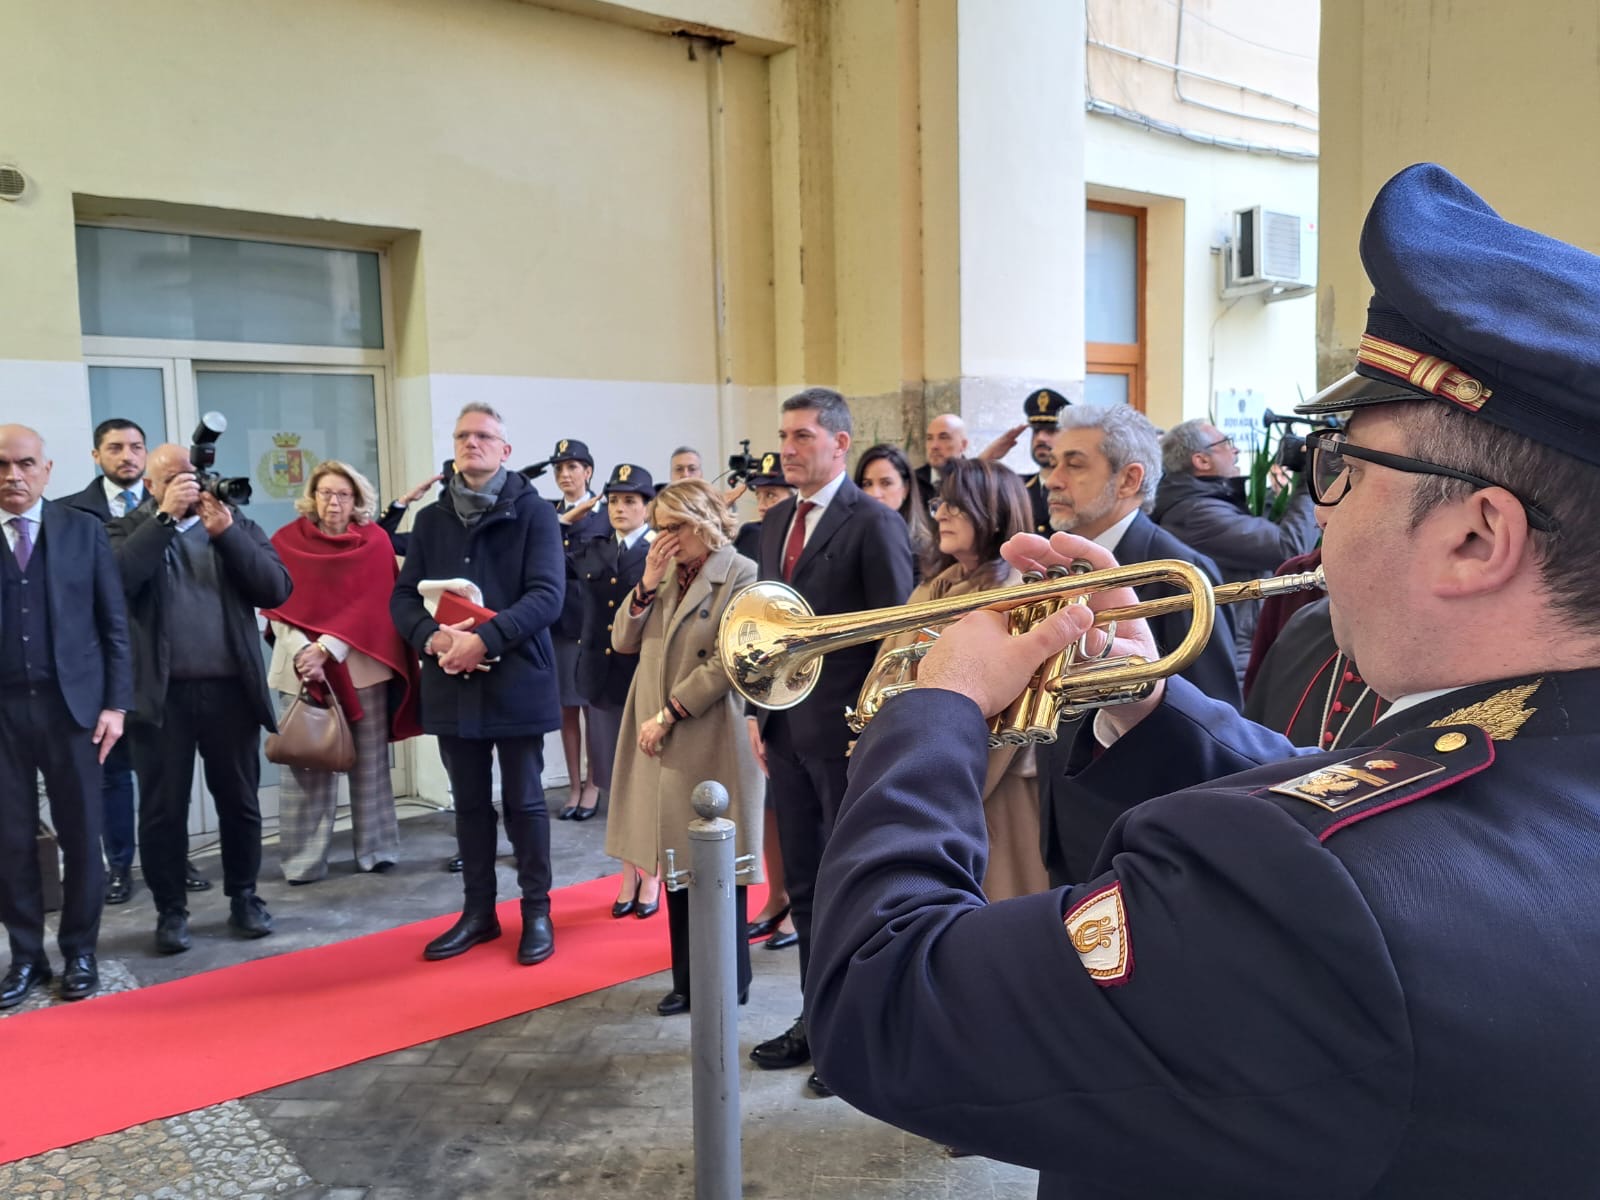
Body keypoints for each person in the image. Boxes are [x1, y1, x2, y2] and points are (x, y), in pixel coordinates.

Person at [806, 162, 1600, 1196]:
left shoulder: (1308, 896)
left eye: (1343, 470)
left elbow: (883, 1002)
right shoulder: (1533, 764)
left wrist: (936, 706)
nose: (1323, 510)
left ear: (1475, 536)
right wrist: (1146, 698)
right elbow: (1375, 806)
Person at [746, 388, 914, 1096]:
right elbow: (762, 626)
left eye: (803, 436)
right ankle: (816, 1020)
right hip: (785, 729)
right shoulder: (774, 521)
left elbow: (896, 637)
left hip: (847, 734)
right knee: (806, 886)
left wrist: (877, 730)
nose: (787, 448)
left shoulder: (873, 521)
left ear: (840, 443)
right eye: (784, 435)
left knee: (853, 886)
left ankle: (859, 1033)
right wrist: (757, 711)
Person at [1035, 403, 1242, 885]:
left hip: (1144, 838)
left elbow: (1214, 720)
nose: (1052, 480)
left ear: (1129, 479)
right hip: (1067, 824)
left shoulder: (1179, 573)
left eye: (1075, 464)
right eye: (1054, 463)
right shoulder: (1060, 564)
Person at [392, 402, 564, 967]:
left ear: (505, 450)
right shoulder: (432, 519)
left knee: (525, 802)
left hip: (516, 679)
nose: (472, 443)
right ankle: (478, 913)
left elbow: (547, 596)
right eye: (463, 436)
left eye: (484, 436)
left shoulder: (535, 513)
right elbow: (403, 597)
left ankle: (536, 911)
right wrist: (433, 638)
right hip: (451, 681)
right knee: (467, 804)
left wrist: (484, 641)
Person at [110, 443, 292, 954]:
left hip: (230, 691)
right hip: (160, 697)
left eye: (191, 476)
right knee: (162, 811)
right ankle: (171, 911)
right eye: (173, 479)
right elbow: (118, 580)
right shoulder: (125, 529)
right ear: (150, 487)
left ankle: (245, 897)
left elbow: (277, 589)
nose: (189, 486)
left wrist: (228, 535)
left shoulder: (233, 523)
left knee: (240, 802)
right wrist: (164, 520)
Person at [607, 479, 764, 1013]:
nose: (664, 539)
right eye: (660, 528)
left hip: (706, 729)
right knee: (675, 859)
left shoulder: (740, 572)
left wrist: (671, 712)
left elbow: (730, 659)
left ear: (701, 522)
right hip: (657, 728)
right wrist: (645, 585)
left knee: (720, 865)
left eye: (673, 527)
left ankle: (730, 978)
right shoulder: (665, 574)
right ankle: (688, 981)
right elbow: (622, 641)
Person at [870, 458, 1047, 899]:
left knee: (998, 906)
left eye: (957, 505)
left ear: (995, 512)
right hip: (924, 773)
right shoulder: (933, 588)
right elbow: (885, 670)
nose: (942, 514)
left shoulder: (1017, 593)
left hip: (988, 786)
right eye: (941, 503)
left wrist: (940, 787)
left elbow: (1012, 714)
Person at [0, 425, 131, 1007]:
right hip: (3, 715)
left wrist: (116, 704)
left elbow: (114, 625)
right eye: (2, 465)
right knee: (9, 842)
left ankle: (80, 951)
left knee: (81, 835)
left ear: (46, 470)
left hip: (73, 710)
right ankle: (26, 957)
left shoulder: (83, 530)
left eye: (25, 463)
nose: (13, 475)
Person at [261, 461, 421, 883]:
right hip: (301, 672)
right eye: (326, 493)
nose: (333, 502)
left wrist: (327, 648)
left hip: (362, 666)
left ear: (357, 500)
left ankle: (377, 850)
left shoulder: (375, 541)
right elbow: (276, 603)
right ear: (312, 497)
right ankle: (303, 862)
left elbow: (376, 604)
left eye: (343, 495)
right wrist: (304, 651)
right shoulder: (286, 541)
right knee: (305, 766)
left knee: (370, 768)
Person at [59, 418, 151, 906]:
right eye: (115, 447)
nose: (127, 456)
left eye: (136, 447)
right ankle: (119, 866)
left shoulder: (171, 507)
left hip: (159, 663)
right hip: (100, 667)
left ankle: (172, 859)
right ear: (96, 456)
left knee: (163, 774)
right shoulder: (69, 513)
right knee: (112, 774)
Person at [1153, 417, 1320, 675]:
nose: (1236, 449)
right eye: (1226, 443)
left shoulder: (1204, 503)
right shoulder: (1197, 513)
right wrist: (1312, 479)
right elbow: (1289, 547)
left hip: (1239, 645)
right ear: (1201, 460)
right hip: (1235, 654)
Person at [728, 452, 798, 947]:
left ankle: (800, 902)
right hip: (771, 682)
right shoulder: (757, 535)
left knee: (805, 809)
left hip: (809, 682)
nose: (765, 502)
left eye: (774, 493)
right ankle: (777, 895)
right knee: (773, 805)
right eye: (761, 494)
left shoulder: (812, 531)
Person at [569, 464, 654, 832]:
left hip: (639, 674)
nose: (619, 508)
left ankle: (644, 846)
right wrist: (567, 520)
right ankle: (625, 848)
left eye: (630, 501)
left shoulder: (660, 551)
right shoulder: (595, 548)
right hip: (599, 675)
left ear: (647, 506)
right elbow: (552, 554)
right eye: (614, 500)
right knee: (611, 773)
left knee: (645, 773)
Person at [547, 438, 611, 820]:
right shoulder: (549, 514)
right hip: (559, 622)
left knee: (593, 711)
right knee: (565, 709)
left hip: (593, 623)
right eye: (559, 468)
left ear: (588, 471)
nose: (565, 474)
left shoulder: (604, 515)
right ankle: (573, 784)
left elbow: (595, 563)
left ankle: (593, 784)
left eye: (572, 467)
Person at [977, 388, 1072, 535]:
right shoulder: (1016, 487)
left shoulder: (1081, 488)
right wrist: (987, 458)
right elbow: (963, 497)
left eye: (1051, 430)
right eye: (1036, 431)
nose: (1040, 438)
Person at [853, 444, 936, 577]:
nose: (875, 494)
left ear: (905, 489)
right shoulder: (848, 540)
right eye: (867, 484)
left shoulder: (922, 550)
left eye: (886, 483)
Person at [914, 413, 968, 492]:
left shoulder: (978, 481)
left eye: (943, 438)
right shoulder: (911, 481)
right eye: (929, 438)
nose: (934, 446)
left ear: (963, 445)